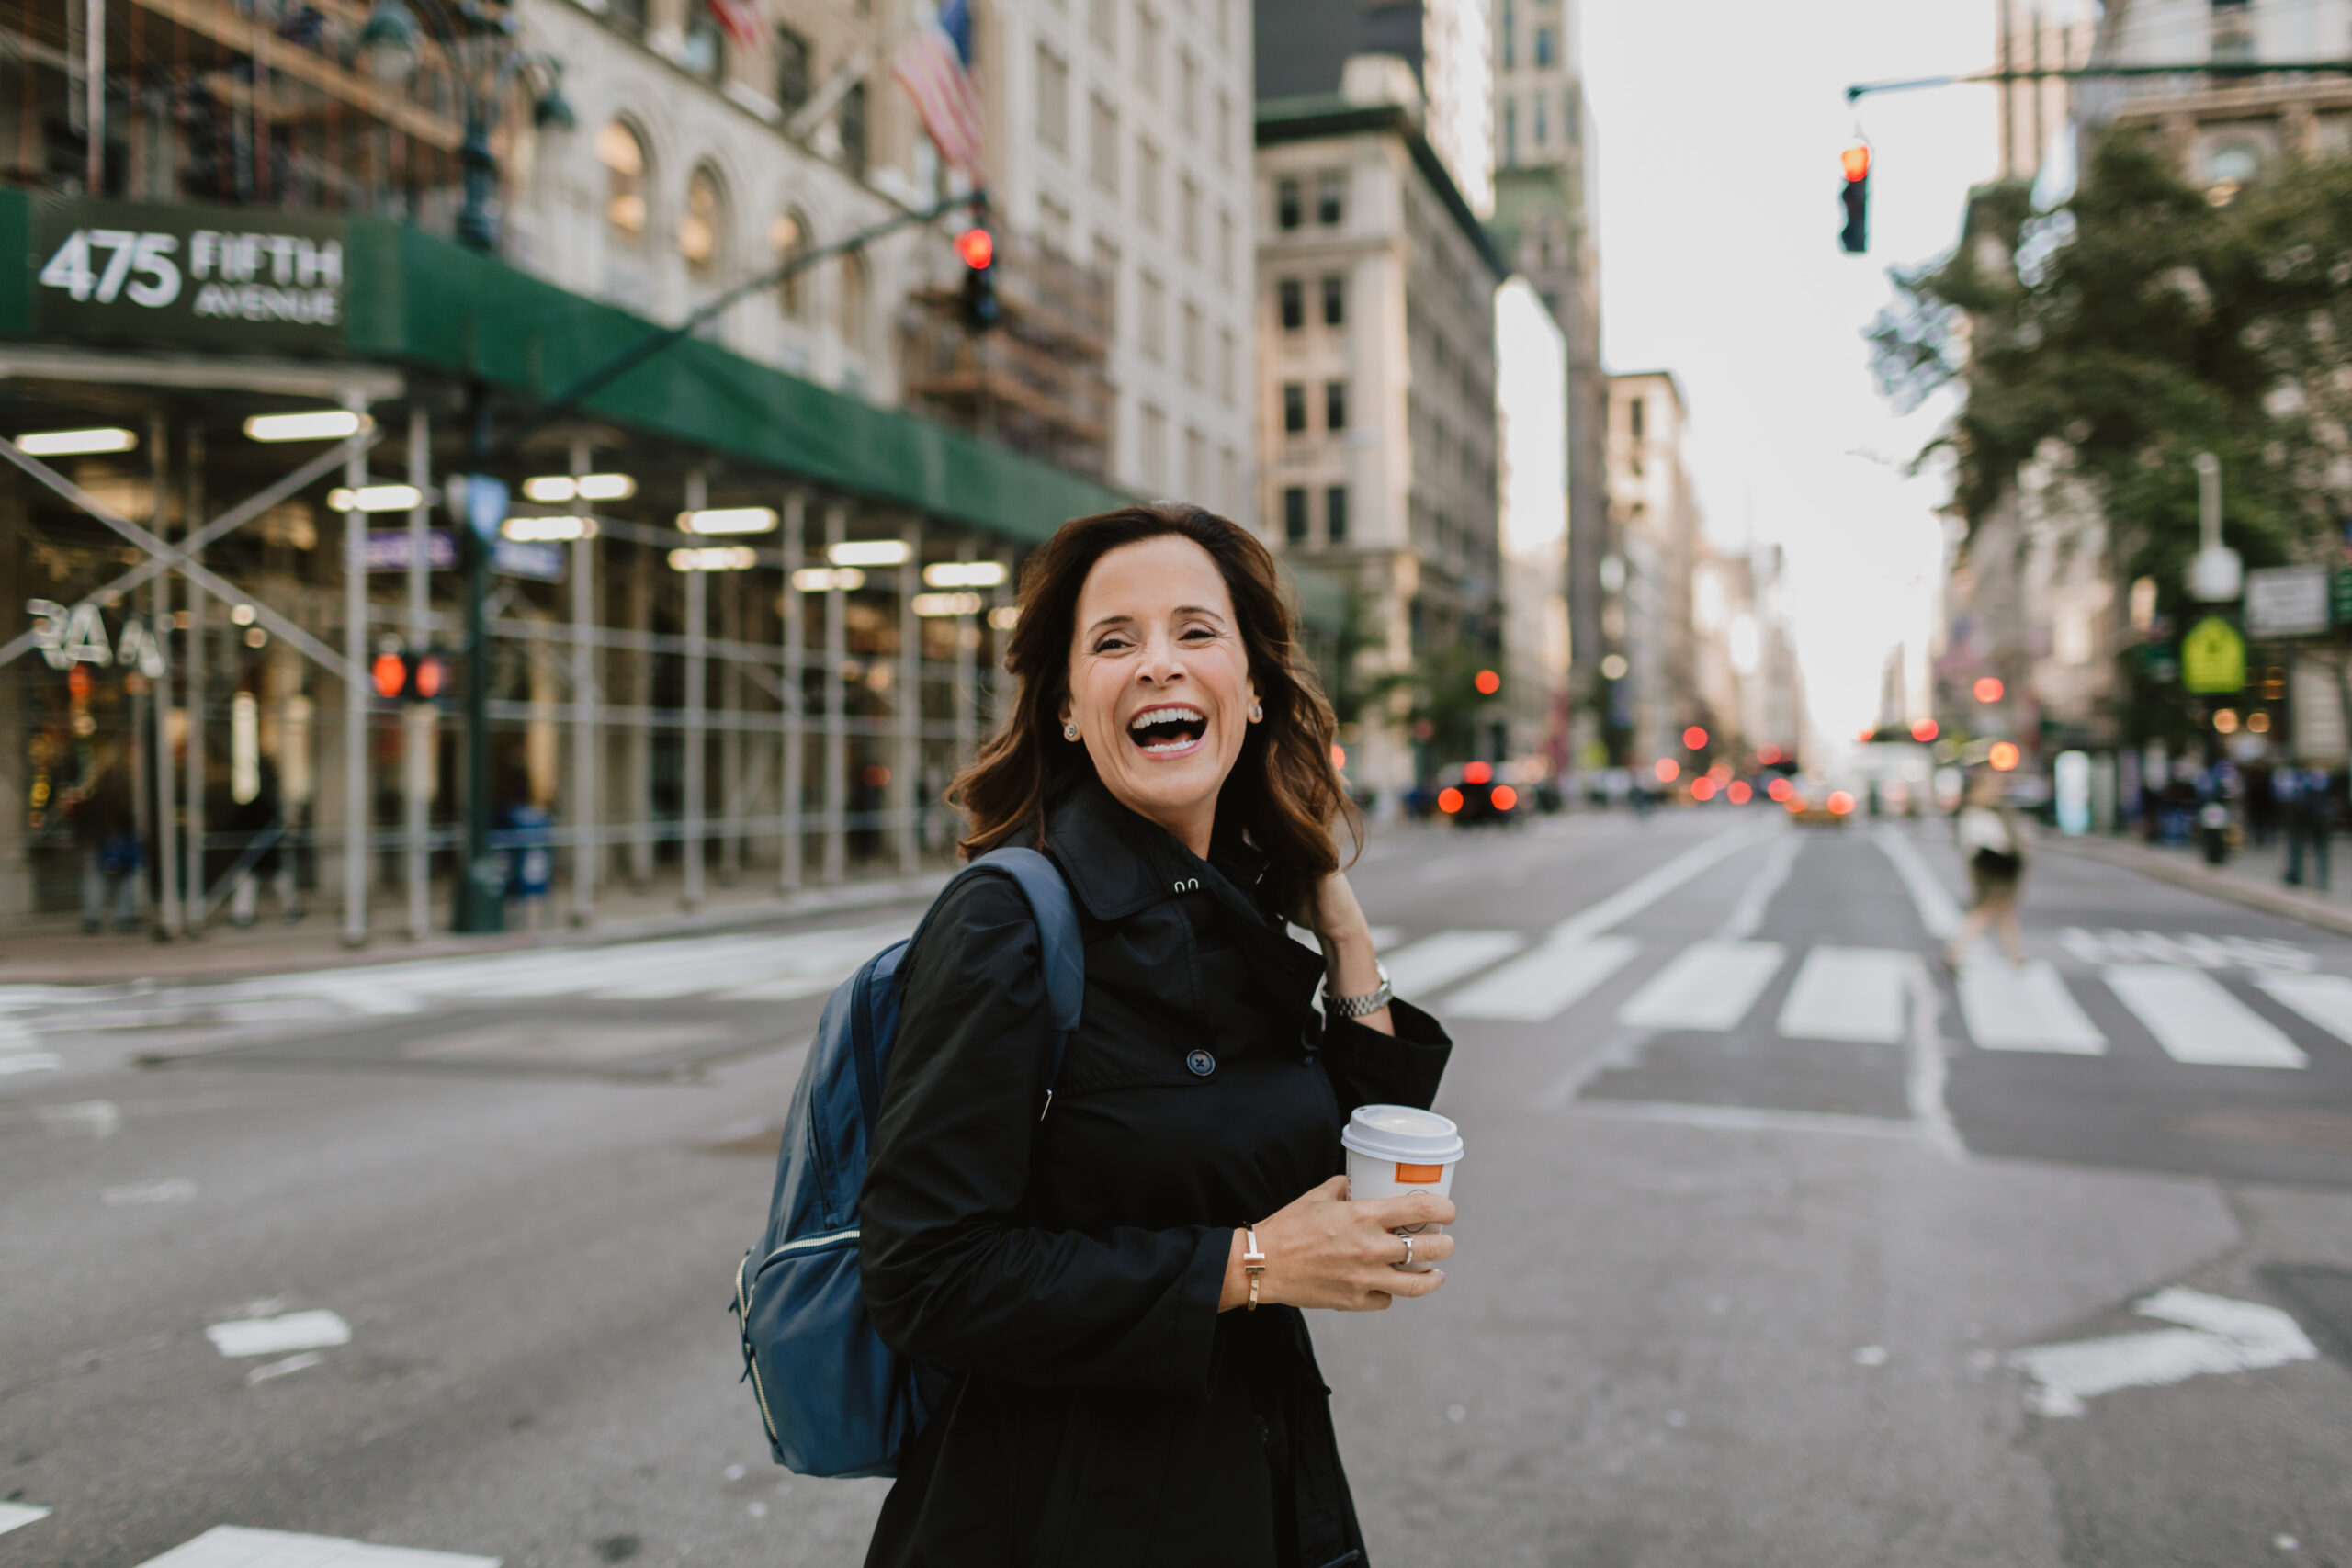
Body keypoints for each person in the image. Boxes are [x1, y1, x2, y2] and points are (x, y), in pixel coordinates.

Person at [859, 504, 1454, 1568]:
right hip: (1061, 1512)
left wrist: (1343, 929)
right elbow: (924, 1276)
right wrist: (1255, 1266)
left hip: (1256, 1483)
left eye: (1195, 631)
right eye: (1114, 641)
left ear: (1254, 687)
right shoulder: (1008, 920)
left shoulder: (1236, 907)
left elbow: (1316, 1173)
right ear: (1070, 712)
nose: (1157, 666)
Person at [1944, 768, 2029, 969]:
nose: (1997, 790)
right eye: (1992, 786)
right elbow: (1979, 844)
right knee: (1986, 910)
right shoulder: (1976, 813)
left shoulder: (1993, 810)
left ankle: (2015, 954)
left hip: (1997, 868)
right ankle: (1954, 951)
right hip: (1991, 869)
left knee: (2004, 910)